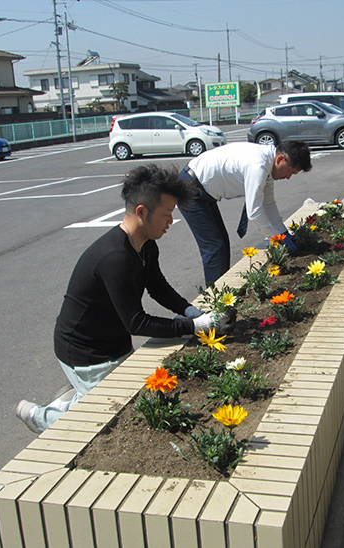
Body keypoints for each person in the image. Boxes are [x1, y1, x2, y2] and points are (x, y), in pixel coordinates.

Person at [16, 164, 232, 434]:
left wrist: (191, 311)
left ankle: (76, 398)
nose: (171, 222)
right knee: (109, 421)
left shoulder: (145, 243)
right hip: (85, 353)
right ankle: (41, 417)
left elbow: (157, 286)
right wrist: (194, 327)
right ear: (141, 212)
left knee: (138, 398)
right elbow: (136, 323)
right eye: (166, 214)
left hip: (112, 344)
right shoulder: (114, 258)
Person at [178, 140, 312, 285]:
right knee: (214, 246)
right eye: (290, 172)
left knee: (220, 242)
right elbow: (254, 213)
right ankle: (216, 300)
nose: (288, 177)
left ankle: (221, 291)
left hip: (202, 190)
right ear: (280, 159)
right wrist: (277, 238)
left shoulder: (267, 165)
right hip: (190, 188)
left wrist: (283, 234)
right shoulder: (258, 165)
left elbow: (269, 204)